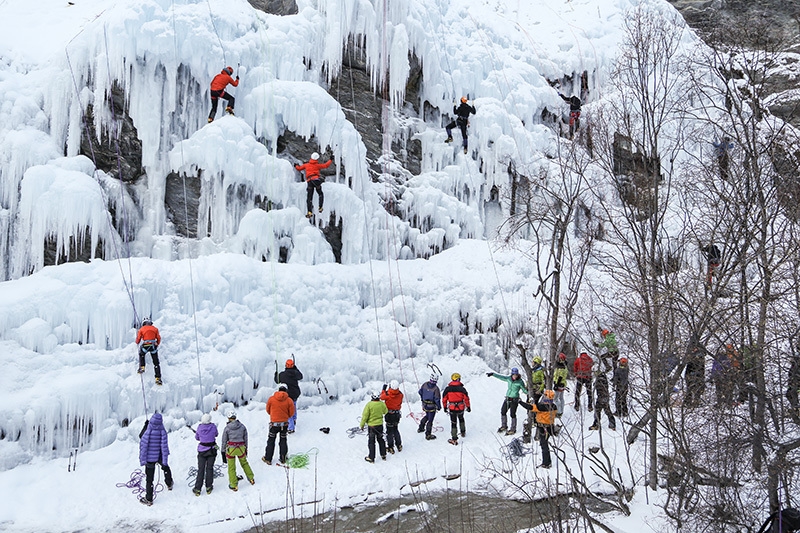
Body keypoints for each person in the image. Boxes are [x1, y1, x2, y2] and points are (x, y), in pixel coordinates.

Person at [138, 412, 174, 505]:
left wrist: (145, 425)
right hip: (159, 456)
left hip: (150, 458)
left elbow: (141, 438)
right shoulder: (162, 431)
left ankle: (149, 499)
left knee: (149, 479)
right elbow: (164, 446)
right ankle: (169, 483)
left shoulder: (148, 429)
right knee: (165, 467)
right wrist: (164, 459)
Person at [519, 390, 557, 469]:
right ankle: (547, 461)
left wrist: (520, 402)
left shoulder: (543, 407)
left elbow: (531, 407)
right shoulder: (554, 406)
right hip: (549, 427)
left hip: (544, 428)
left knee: (544, 445)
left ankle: (546, 463)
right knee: (544, 444)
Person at [220, 409, 254, 491]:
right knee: (244, 463)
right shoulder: (242, 427)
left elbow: (224, 441)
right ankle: (251, 478)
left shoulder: (227, 428)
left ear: (228, 418)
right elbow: (246, 439)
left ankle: (233, 485)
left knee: (231, 467)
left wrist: (223, 451)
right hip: (241, 448)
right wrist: (246, 449)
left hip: (231, 449)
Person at [487, 367, 527, 435]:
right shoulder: (509, 379)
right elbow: (501, 377)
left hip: (515, 399)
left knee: (512, 414)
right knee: (503, 411)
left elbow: (524, 390)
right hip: (507, 398)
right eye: (514, 375)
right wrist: (493, 374)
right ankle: (504, 426)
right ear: (512, 374)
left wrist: (530, 393)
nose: (515, 376)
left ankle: (513, 429)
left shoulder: (520, 382)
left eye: (516, 375)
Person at [263, 383, 295, 465]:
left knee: (271, 441)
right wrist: (286, 417)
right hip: (284, 424)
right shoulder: (289, 400)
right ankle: (283, 458)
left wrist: (273, 416)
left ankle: (268, 458)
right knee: (283, 440)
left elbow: (268, 410)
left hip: (274, 424)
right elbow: (291, 413)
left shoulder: (271, 399)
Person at [295, 153, 333, 218]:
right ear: (317, 159)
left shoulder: (306, 165)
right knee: (320, 194)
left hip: (310, 181)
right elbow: (326, 165)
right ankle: (320, 207)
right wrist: (331, 160)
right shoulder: (317, 165)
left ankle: (309, 212)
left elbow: (299, 168)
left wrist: (296, 165)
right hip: (316, 180)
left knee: (309, 198)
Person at [274, 359, 303, 433]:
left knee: (288, 410)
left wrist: (276, 373)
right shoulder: (295, 373)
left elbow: (277, 380)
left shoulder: (283, 374)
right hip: (295, 393)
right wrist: (295, 368)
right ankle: (294, 419)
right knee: (294, 405)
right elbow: (301, 376)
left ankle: (291, 427)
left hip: (288, 394)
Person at [193, 414, 218, 496]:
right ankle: (209, 486)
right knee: (209, 468)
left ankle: (197, 488)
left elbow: (197, 438)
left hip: (202, 451)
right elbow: (216, 434)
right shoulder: (213, 426)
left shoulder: (199, 427)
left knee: (201, 469)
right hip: (211, 450)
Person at [442, 373, 471, 445]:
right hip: (460, 407)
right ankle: (463, 432)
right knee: (461, 418)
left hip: (452, 408)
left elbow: (444, 399)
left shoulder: (447, 389)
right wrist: (468, 407)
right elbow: (466, 398)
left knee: (453, 422)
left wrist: (445, 407)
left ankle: (454, 439)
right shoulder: (462, 389)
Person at [360, 392, 388, 463]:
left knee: (371, 442)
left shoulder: (369, 405)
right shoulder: (382, 404)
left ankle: (371, 458)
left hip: (372, 427)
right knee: (381, 440)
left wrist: (362, 425)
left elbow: (365, 416)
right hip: (380, 426)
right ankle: (383, 454)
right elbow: (385, 411)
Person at [136, 317, 162, 385]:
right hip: (153, 346)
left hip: (146, 345)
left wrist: (137, 342)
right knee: (156, 363)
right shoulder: (155, 329)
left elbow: (138, 339)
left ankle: (142, 367)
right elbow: (158, 338)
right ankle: (158, 378)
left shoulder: (141, 329)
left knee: (141, 354)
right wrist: (157, 344)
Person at [380, 380, 403, 453]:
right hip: (397, 414)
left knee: (389, 431)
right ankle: (399, 445)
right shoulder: (400, 394)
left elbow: (381, 397)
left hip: (389, 414)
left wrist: (384, 389)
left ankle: (390, 447)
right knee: (395, 429)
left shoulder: (388, 394)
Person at [684, 336, 707, 408]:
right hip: (690, 373)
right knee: (690, 388)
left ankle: (696, 402)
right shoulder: (690, 352)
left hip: (697, 373)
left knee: (697, 388)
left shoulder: (700, 354)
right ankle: (688, 402)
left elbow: (699, 364)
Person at [417, 374, 441, 440]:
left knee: (427, 416)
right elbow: (437, 399)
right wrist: (439, 407)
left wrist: (423, 398)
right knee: (430, 420)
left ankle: (421, 427)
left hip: (425, 404)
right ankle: (428, 434)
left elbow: (420, 392)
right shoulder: (436, 389)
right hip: (432, 406)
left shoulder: (424, 385)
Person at [787, 352, 800, 421]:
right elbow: (790, 374)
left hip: (797, 384)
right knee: (789, 394)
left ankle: (796, 408)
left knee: (793, 393)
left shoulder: (796, 366)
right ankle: (795, 409)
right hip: (793, 383)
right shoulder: (793, 366)